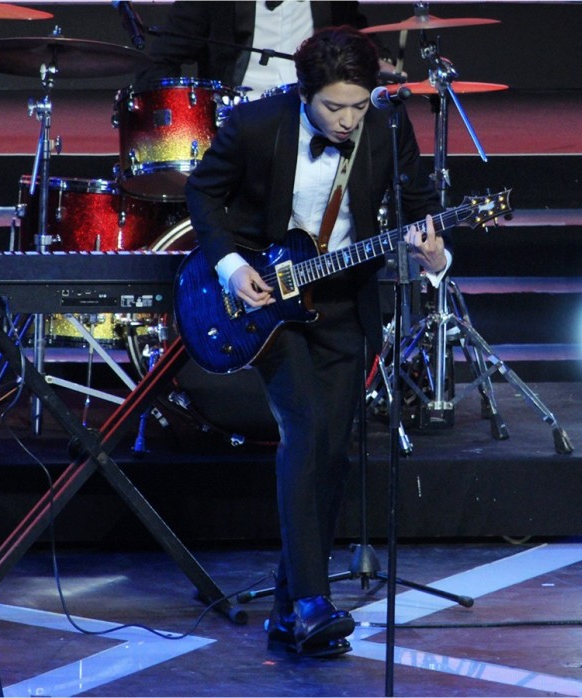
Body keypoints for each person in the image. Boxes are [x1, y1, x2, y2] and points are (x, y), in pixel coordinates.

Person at [183, 26, 450, 657]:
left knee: (331, 452)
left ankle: (288, 613)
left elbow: (419, 205)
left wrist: (434, 253)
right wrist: (230, 266)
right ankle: (311, 602)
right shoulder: (255, 125)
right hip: (266, 302)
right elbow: (203, 192)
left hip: (342, 305)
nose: (348, 120)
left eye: (358, 105)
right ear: (305, 94)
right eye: (334, 107)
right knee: (304, 432)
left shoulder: (386, 128)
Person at [134, 1, 385, 99]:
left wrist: (381, 61)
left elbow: (355, 33)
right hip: (237, 119)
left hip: (313, 113)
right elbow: (161, 60)